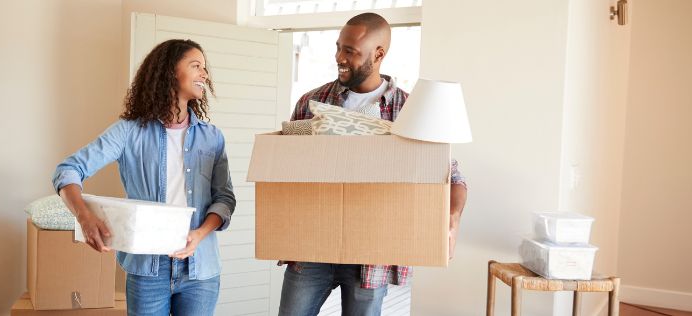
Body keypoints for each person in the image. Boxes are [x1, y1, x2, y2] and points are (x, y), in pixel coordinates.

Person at [278, 13, 468, 316]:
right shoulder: (312, 101)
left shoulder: (410, 111)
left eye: (350, 51)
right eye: (339, 47)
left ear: (379, 54)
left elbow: (452, 177)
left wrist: (452, 218)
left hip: (372, 253)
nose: (340, 57)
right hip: (312, 246)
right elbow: (284, 167)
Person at [52, 39, 236, 316]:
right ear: (170, 71)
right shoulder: (128, 132)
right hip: (148, 271)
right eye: (196, 66)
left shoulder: (212, 138)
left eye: (205, 68)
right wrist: (84, 217)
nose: (204, 74)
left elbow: (224, 199)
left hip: (201, 270)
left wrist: (199, 234)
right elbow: (68, 170)